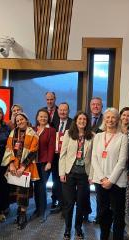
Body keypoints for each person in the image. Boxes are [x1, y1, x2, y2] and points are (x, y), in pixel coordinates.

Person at [91, 108, 128, 240]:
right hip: (100, 181)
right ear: (104, 120)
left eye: (113, 117)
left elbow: (122, 161)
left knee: (118, 215)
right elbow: (94, 158)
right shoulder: (98, 136)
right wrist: (102, 178)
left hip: (117, 182)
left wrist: (110, 180)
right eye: (108, 117)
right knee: (103, 212)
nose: (110, 120)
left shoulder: (123, 138)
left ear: (117, 120)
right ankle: (104, 237)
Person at [2, 112, 40, 230]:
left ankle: (22, 216)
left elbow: (34, 152)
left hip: (26, 166)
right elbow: (9, 148)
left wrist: (23, 166)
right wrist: (12, 164)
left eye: (22, 119)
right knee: (16, 192)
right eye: (17, 121)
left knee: (24, 193)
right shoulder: (13, 133)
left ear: (26, 120)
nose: (20, 122)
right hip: (14, 166)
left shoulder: (33, 133)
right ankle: (19, 213)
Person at [59, 111, 94, 240]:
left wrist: (92, 175)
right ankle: (67, 230)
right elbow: (62, 155)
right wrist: (61, 173)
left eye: (84, 119)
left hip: (84, 174)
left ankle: (78, 229)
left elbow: (93, 158)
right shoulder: (69, 134)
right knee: (68, 204)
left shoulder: (92, 136)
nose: (82, 121)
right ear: (76, 120)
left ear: (87, 122)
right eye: (80, 119)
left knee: (80, 203)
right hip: (69, 173)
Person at [33, 108, 56, 222]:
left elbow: (51, 147)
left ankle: (42, 212)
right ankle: (37, 209)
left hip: (44, 162)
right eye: (41, 116)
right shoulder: (32, 129)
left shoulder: (51, 130)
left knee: (42, 186)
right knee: (36, 186)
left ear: (48, 118)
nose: (43, 118)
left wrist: (49, 162)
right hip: (33, 163)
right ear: (37, 117)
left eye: (45, 117)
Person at [51, 102, 73, 214]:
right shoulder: (53, 122)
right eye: (60, 110)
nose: (62, 112)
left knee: (66, 182)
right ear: (57, 111)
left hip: (68, 157)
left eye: (65, 110)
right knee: (56, 181)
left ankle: (66, 206)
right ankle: (60, 203)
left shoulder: (73, 123)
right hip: (55, 157)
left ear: (68, 111)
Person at [89, 97, 104, 224]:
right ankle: (84, 213)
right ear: (90, 106)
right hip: (86, 157)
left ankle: (100, 216)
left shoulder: (107, 119)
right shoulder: (85, 119)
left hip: (100, 158)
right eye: (93, 104)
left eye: (98, 105)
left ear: (101, 106)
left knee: (99, 191)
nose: (95, 106)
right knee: (83, 189)